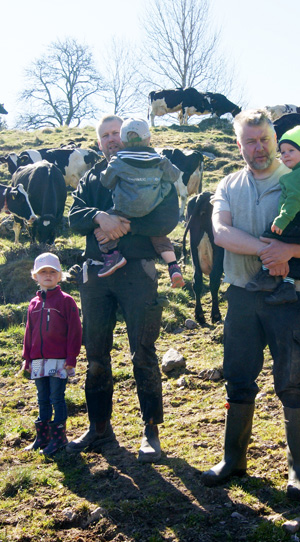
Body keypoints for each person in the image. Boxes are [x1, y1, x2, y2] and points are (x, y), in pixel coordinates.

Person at [202, 109, 300, 500]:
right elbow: (221, 232)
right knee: (238, 376)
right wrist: (270, 251)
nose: (258, 148)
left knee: (292, 380)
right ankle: (233, 459)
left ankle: (299, 472)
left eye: (265, 140)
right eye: (250, 141)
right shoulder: (228, 184)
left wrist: (289, 251)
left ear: (276, 140)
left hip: (290, 298)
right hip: (242, 295)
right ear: (238, 144)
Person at [66, 114, 180, 463]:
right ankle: (99, 429)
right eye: (105, 136)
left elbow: (168, 219)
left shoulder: (155, 169)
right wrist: (101, 218)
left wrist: (122, 228)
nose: (112, 139)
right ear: (99, 142)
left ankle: (151, 431)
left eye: (116, 133)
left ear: (131, 138)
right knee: (96, 356)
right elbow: (74, 218)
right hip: (96, 278)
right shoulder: (91, 179)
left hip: (139, 274)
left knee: (143, 353)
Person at [245, 125, 300, 305]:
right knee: (298, 252)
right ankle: (288, 285)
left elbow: (294, 199)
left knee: (268, 235)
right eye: (283, 151)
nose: (285, 155)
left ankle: (266, 273)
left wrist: (282, 220)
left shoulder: (296, 175)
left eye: (291, 150)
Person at [97, 117, 184, 288]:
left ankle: (113, 255)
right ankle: (173, 266)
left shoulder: (118, 160)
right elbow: (174, 176)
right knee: (159, 236)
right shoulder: (159, 159)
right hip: (152, 208)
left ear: (122, 140)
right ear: (148, 139)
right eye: (106, 135)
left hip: (124, 209)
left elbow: (107, 182)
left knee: (105, 226)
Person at [21, 252, 82, 456]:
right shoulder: (33, 304)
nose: (47, 275)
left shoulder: (66, 301)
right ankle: (43, 437)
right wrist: (27, 359)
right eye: (43, 272)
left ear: (59, 276)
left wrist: (71, 358)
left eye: (52, 272)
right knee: (42, 398)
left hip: (59, 360)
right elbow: (29, 332)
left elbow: (75, 331)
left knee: (57, 397)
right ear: (35, 276)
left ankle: (59, 439)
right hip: (38, 360)